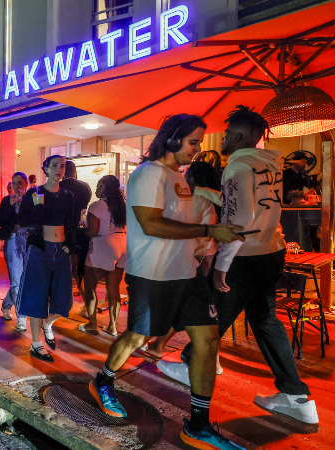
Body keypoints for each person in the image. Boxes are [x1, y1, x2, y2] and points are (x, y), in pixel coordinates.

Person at [88, 115, 245, 450]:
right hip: (151, 274)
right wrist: (208, 231)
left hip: (186, 273)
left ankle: (199, 425)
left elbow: (180, 214)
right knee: (137, 336)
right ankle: (103, 381)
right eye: (193, 142)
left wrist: (211, 204)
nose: (199, 149)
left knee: (207, 338)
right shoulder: (147, 174)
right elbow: (151, 225)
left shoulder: (178, 177)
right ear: (172, 140)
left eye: (200, 142)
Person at [160, 106, 319, 425]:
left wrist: (223, 265)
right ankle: (296, 397)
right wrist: (208, 192)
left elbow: (238, 219)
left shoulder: (235, 169)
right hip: (271, 251)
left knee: (214, 313)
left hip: (244, 256)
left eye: (232, 132)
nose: (225, 136)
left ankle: (193, 362)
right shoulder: (269, 166)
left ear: (245, 136)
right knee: (265, 320)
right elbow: (249, 208)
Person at [141, 161, 224, 366]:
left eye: (186, 174)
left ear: (193, 179)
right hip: (207, 256)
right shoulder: (209, 201)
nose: (183, 177)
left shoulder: (195, 201)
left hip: (191, 258)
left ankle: (158, 344)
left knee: (181, 305)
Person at [17, 155, 76, 362]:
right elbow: (23, 219)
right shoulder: (36, 192)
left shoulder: (68, 195)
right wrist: (34, 209)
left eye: (62, 166)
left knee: (64, 299)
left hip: (62, 250)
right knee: (36, 295)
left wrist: (70, 246)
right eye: (55, 166)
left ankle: (48, 323)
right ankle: (35, 343)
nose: (59, 169)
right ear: (45, 169)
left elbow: (71, 223)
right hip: (40, 249)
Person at [80, 175, 126, 337]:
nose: (96, 189)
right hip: (122, 244)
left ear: (105, 188)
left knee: (90, 286)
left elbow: (94, 230)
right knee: (113, 289)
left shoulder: (97, 205)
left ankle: (92, 324)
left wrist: (81, 233)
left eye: (99, 186)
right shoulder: (122, 206)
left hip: (103, 246)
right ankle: (112, 327)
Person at [0, 172, 28, 325]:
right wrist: (9, 206)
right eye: (14, 183)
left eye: (20, 183)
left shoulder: (30, 200)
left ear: (26, 184)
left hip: (29, 242)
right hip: (12, 241)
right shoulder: (6, 201)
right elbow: (0, 220)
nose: (17, 186)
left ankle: (7, 304)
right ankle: (21, 317)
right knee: (16, 280)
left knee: (25, 279)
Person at [60, 160, 93, 303]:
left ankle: (61, 300)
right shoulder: (85, 187)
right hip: (80, 231)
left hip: (62, 231)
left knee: (61, 266)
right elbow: (84, 208)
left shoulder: (58, 186)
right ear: (75, 171)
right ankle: (87, 301)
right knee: (79, 269)